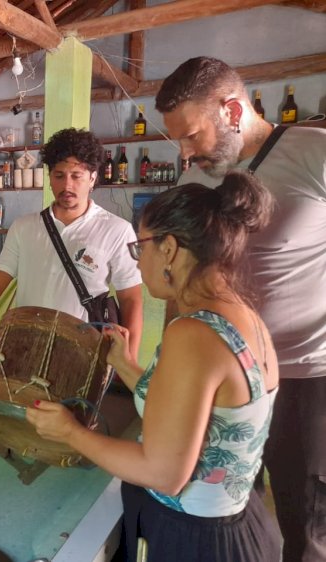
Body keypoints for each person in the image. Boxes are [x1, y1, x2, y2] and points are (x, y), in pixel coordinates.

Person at [27, 171, 281, 561]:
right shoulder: (243, 317)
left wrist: (70, 432)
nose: (138, 261)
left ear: (170, 249)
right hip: (237, 528)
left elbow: (164, 472)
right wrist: (126, 365)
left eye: (139, 247)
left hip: (195, 543)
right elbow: (194, 412)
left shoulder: (192, 333)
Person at [155, 56, 326, 562]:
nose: (186, 152)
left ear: (232, 109)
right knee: (231, 514)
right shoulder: (202, 184)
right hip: (222, 381)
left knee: (308, 526)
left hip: (305, 377)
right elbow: (182, 278)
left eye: (192, 135)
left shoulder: (314, 153)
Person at [0, 128, 143, 360]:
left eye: (76, 175)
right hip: (27, 345)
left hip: (83, 354)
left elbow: (131, 299)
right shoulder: (24, 227)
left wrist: (130, 360)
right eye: (59, 175)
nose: (67, 185)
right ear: (49, 176)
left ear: (93, 177)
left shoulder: (116, 230)